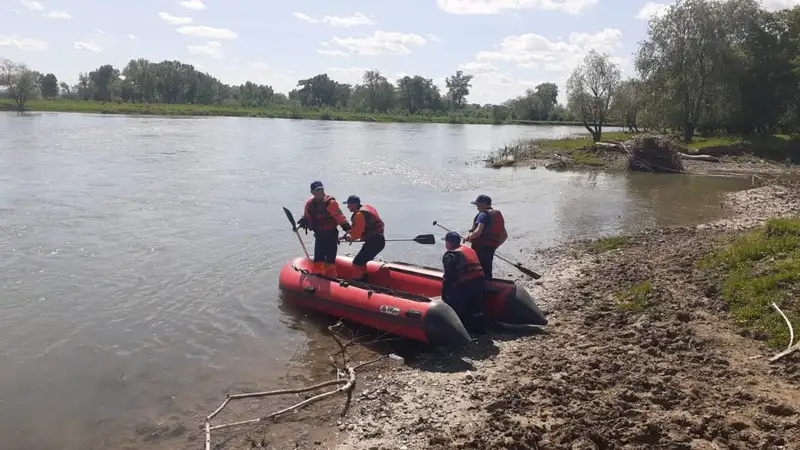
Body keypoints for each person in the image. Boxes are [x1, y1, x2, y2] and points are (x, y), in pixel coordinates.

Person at [296, 181, 351, 277]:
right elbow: (306, 217)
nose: (321, 192)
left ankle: (332, 278)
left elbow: (340, 217)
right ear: (312, 192)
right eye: (318, 190)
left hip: (331, 234)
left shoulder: (330, 203)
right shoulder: (309, 204)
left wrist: (348, 231)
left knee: (330, 258)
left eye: (322, 189)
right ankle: (318, 277)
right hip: (319, 235)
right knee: (318, 257)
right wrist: (299, 225)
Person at [441, 231, 487, 334]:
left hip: (467, 286)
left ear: (448, 243)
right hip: (480, 283)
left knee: (457, 305)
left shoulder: (451, 255)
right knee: (476, 306)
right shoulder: (470, 250)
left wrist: (445, 296)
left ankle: (460, 330)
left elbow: (448, 278)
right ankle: (481, 329)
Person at [341, 195, 386, 282]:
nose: (347, 206)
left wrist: (350, 237)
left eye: (348, 204)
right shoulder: (365, 211)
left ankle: (357, 283)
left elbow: (356, 234)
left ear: (354, 204)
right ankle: (364, 281)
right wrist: (344, 236)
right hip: (378, 241)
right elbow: (356, 228)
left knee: (357, 262)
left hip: (374, 242)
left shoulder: (359, 215)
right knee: (361, 262)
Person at [464, 194, 507, 280]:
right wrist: (494, 246)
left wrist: (468, 237)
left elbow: (478, 231)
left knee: (476, 269)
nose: (476, 206)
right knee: (487, 270)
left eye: (478, 204)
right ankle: (488, 285)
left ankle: (477, 287)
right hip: (490, 248)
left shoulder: (482, 215)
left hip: (480, 248)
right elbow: (505, 236)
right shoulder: (496, 216)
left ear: (484, 204)